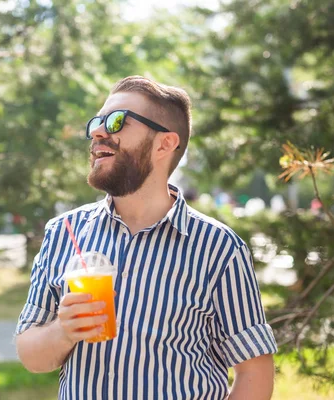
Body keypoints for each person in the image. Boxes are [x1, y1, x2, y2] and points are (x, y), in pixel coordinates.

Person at [15, 76, 277, 399]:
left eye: (116, 122)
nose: (98, 132)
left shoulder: (219, 249)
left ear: (165, 144)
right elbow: (29, 351)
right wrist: (63, 331)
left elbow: (255, 372)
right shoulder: (62, 233)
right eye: (96, 122)